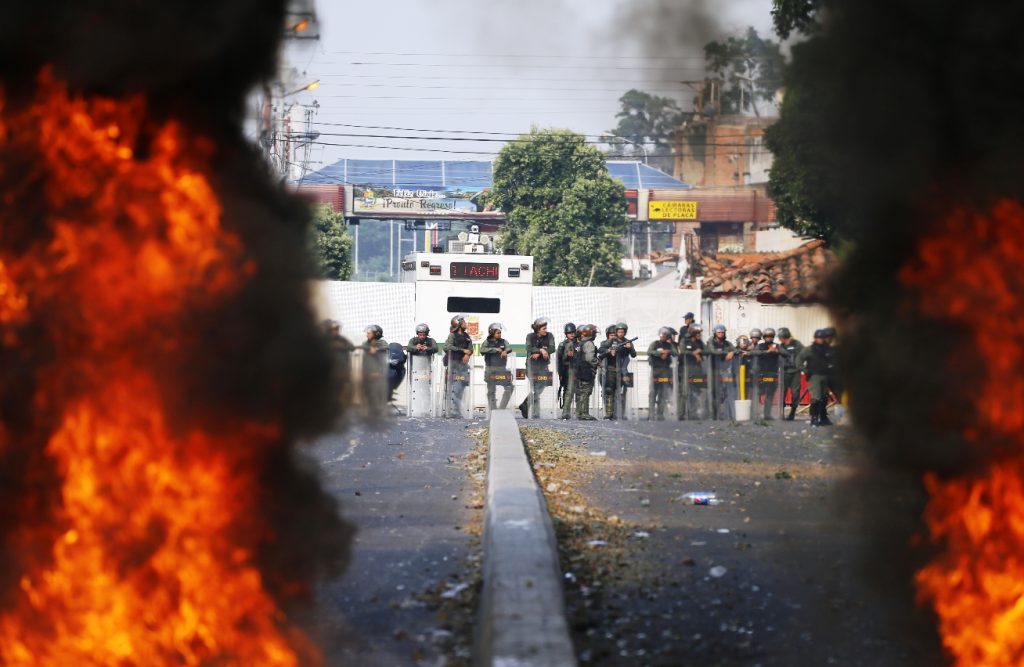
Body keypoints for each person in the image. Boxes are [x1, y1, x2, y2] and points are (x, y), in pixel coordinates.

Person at [518, 317, 555, 419]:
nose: (546, 330)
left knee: (539, 389)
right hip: (532, 367)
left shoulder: (550, 336)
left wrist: (540, 351)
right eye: (544, 328)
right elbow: (528, 348)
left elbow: (552, 348)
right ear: (538, 329)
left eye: (546, 328)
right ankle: (535, 413)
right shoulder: (530, 336)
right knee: (535, 389)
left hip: (543, 367)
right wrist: (541, 350)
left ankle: (525, 404)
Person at [796, 329, 832, 426]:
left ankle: (823, 418)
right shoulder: (809, 349)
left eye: (822, 338)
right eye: (819, 338)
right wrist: (804, 370)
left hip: (825, 375)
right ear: (815, 339)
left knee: (824, 398)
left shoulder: (827, 349)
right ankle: (814, 418)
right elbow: (799, 359)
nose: (821, 340)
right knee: (816, 398)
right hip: (814, 376)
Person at [443, 315, 473, 418]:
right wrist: (462, 350)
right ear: (459, 324)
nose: (466, 324)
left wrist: (467, 354)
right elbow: (447, 347)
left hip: (463, 365)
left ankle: (458, 409)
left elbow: (470, 348)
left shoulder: (466, 336)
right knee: (452, 388)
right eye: (464, 322)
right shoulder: (452, 335)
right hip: (453, 364)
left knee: (461, 387)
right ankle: (451, 410)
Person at [480, 323, 513, 411]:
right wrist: (495, 349)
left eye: (500, 333)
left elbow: (509, 348)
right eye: (498, 333)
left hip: (502, 369)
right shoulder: (487, 342)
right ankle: (493, 410)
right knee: (491, 391)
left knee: (510, 387)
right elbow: (482, 350)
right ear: (492, 333)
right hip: (490, 368)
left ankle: (502, 408)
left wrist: (505, 351)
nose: (499, 334)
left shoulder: (503, 341)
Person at [706, 324, 736, 420]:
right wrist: (727, 353)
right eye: (719, 332)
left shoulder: (727, 344)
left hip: (724, 371)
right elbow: (713, 351)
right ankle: (711, 414)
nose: (721, 334)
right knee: (713, 392)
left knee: (725, 392)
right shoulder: (711, 342)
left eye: (723, 332)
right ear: (715, 333)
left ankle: (723, 413)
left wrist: (733, 352)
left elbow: (735, 349)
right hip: (713, 370)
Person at [752, 327, 782, 419]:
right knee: (757, 393)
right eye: (767, 336)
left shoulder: (777, 346)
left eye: (771, 336)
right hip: (761, 374)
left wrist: (777, 351)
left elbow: (784, 354)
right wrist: (768, 351)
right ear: (764, 337)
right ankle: (754, 414)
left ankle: (767, 414)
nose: (769, 338)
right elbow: (755, 352)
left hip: (773, 374)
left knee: (770, 394)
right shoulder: (760, 346)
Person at [359, 324, 388, 418]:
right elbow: (364, 346)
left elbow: (386, 347)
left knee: (377, 394)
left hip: (378, 374)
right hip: (367, 374)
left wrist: (377, 349)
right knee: (367, 394)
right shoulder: (366, 343)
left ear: (376, 334)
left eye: (369, 333)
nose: (367, 335)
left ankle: (378, 413)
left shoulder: (382, 343)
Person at [679, 324, 707, 419]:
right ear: (693, 333)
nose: (699, 335)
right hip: (687, 369)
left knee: (696, 391)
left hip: (697, 370)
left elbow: (707, 350)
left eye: (700, 333)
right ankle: (681, 414)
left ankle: (693, 413)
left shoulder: (700, 343)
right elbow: (682, 351)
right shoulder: (685, 341)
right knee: (685, 392)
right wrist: (693, 353)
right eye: (697, 333)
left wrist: (700, 352)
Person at [572, 324, 599, 420]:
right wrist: (598, 362)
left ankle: (580, 412)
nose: (595, 335)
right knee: (586, 392)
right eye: (595, 333)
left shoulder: (580, 343)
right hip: (587, 371)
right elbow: (589, 358)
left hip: (579, 371)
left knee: (580, 392)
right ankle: (584, 413)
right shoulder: (589, 344)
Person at [647, 327, 675, 420]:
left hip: (665, 371)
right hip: (655, 371)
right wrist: (661, 352)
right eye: (661, 335)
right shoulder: (655, 344)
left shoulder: (669, 345)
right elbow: (649, 351)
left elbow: (676, 353)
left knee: (662, 394)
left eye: (664, 336)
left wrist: (668, 351)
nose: (662, 337)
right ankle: (651, 414)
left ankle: (660, 414)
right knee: (653, 393)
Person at [777, 327, 805, 421]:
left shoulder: (797, 344)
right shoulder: (781, 346)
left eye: (780, 337)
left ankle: (792, 413)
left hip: (795, 372)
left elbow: (804, 353)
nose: (779, 339)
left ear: (785, 336)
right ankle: (781, 414)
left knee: (795, 393)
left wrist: (801, 365)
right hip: (784, 372)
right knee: (782, 393)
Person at [557, 323, 578, 419]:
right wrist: (560, 373)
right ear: (566, 334)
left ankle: (579, 412)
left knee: (578, 391)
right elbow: (559, 359)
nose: (571, 334)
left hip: (577, 369)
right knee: (568, 391)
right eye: (569, 333)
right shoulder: (562, 345)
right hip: (567, 370)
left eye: (573, 332)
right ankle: (565, 412)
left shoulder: (578, 343)